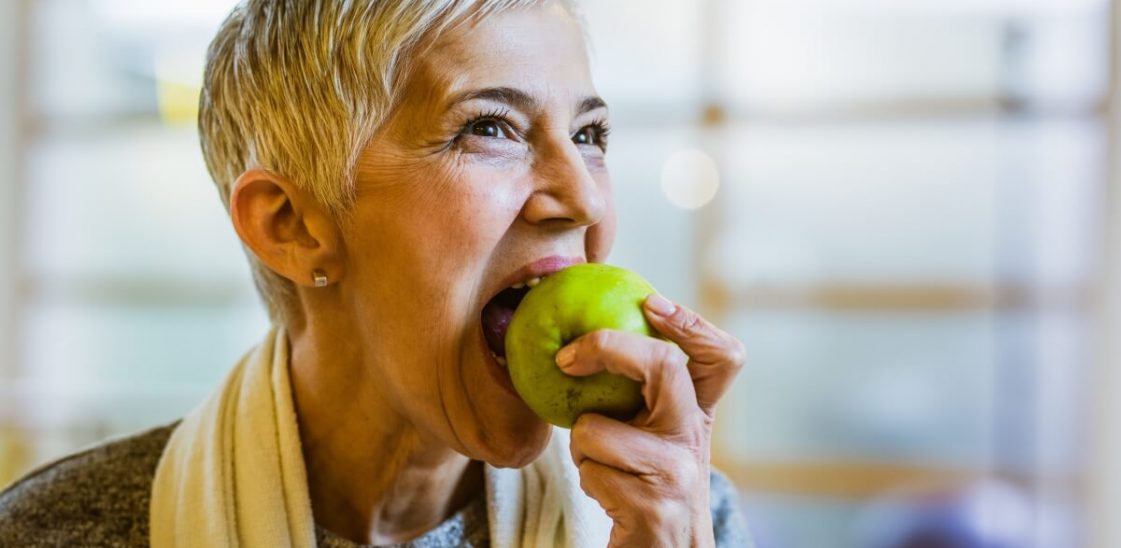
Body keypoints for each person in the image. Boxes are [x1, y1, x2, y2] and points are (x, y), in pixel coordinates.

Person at [0, 1, 752, 546]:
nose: (585, 199)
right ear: (290, 225)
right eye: (488, 127)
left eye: (589, 134)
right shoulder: (62, 531)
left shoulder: (673, 517)